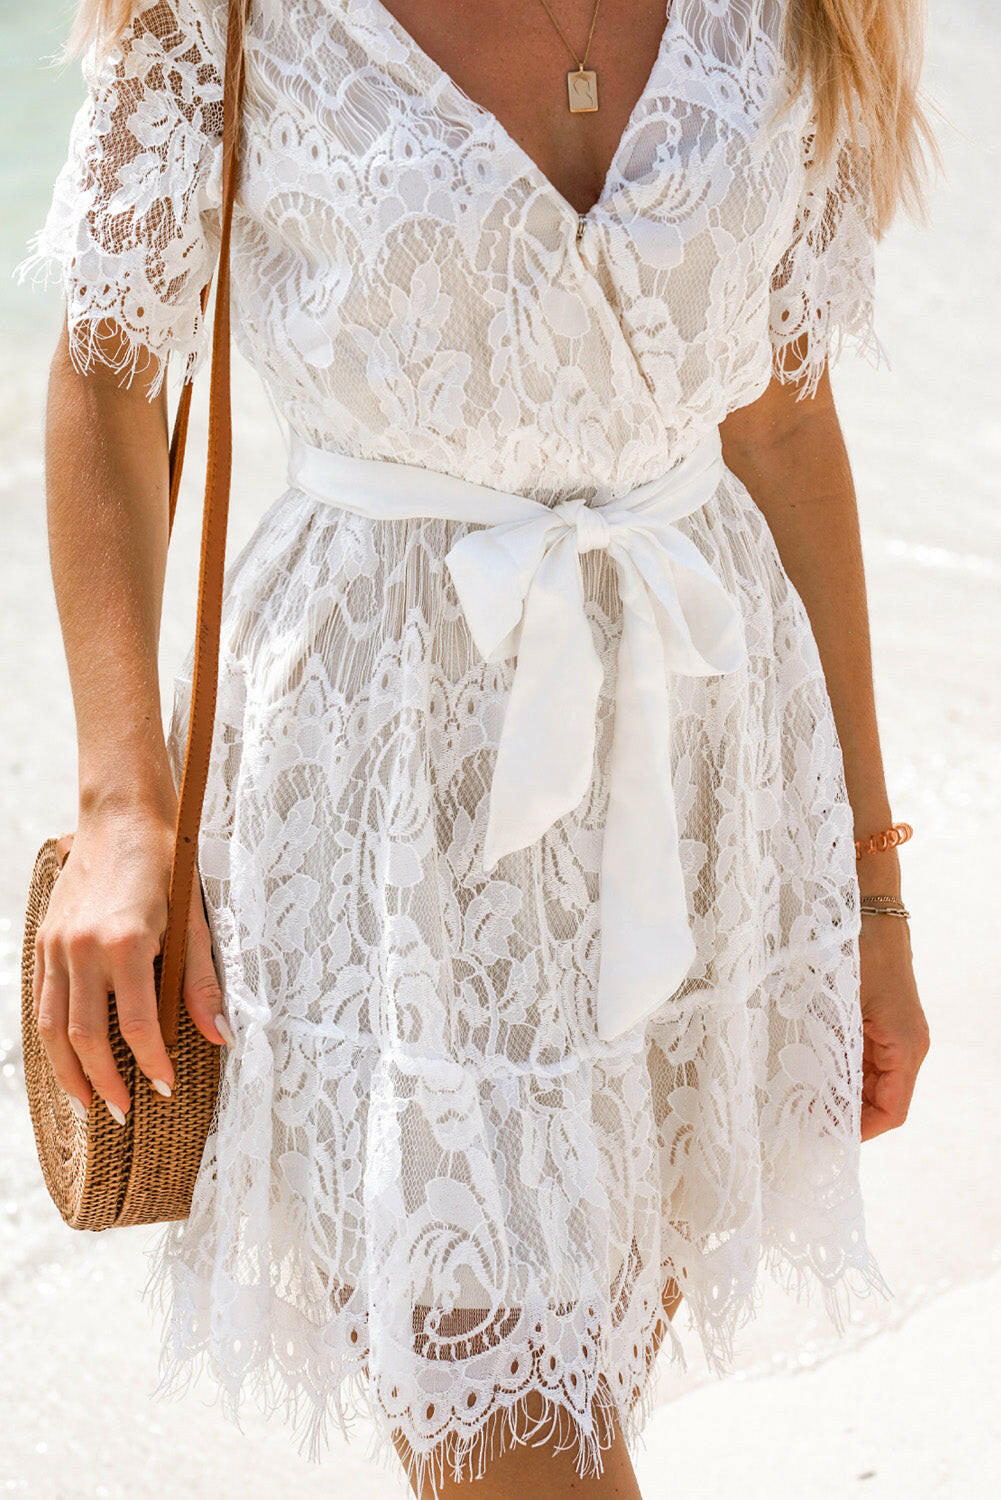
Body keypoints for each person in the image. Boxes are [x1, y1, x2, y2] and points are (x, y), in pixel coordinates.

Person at [18, 1, 935, 1495]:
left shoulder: (788, 15)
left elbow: (777, 422)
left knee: (560, 1429)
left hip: (703, 787)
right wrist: (124, 800)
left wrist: (869, 888)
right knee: (531, 1463)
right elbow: (113, 370)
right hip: (384, 811)